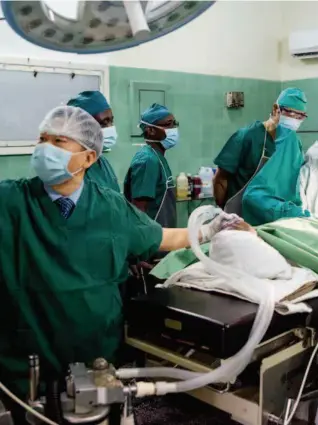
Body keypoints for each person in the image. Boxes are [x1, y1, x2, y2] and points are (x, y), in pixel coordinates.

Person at [0, 106, 242, 417]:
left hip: (94, 354)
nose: (45, 149)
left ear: (89, 158)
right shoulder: (10, 201)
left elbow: (159, 237)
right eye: (42, 139)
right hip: (27, 359)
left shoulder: (110, 207)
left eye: (59, 142)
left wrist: (208, 230)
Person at [213, 87, 308, 214]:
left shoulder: (293, 143)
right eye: (290, 113)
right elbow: (220, 179)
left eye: (300, 116)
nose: (295, 119)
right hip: (239, 215)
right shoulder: (247, 136)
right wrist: (225, 210)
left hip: (273, 216)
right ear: (276, 109)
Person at [124, 103, 179, 228]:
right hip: (151, 241)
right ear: (151, 130)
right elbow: (139, 211)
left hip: (162, 236)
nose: (174, 128)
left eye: (174, 124)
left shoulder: (157, 157)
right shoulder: (147, 161)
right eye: (168, 124)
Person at [67, 90, 120, 192]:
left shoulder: (101, 161)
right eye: (103, 123)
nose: (110, 127)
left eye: (111, 121)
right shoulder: (72, 168)